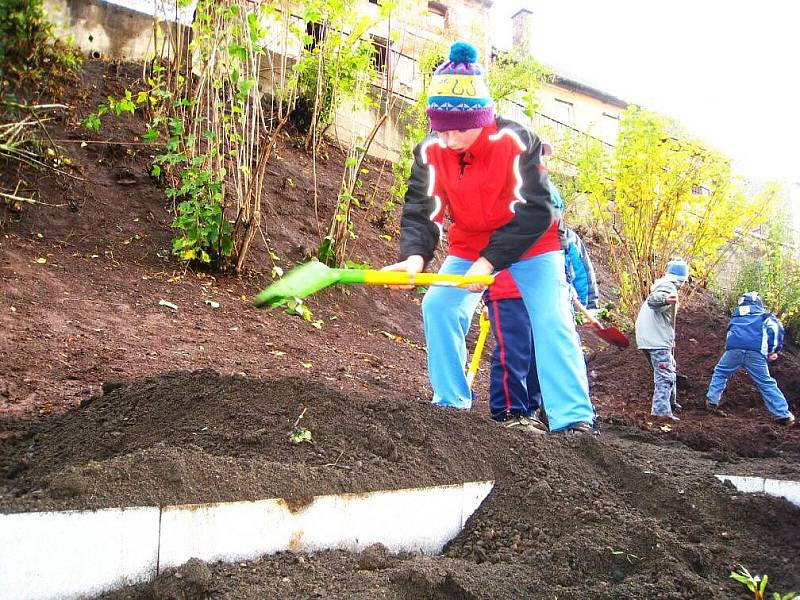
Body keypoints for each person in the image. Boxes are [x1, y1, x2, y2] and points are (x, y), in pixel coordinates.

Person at [381, 40, 595, 434]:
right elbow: (422, 209)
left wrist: (489, 263)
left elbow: (537, 209)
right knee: (439, 305)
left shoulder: (516, 142)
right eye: (440, 130)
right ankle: (450, 405)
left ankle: (572, 419)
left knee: (551, 318)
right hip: (469, 244)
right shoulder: (431, 150)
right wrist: (414, 257)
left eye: (459, 130)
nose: (448, 140)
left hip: (532, 244)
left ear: (480, 118)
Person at [484, 226, 599, 428]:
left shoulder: (565, 235)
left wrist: (588, 303)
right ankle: (510, 411)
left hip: (548, 294)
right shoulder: (498, 227)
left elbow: (580, 268)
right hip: (506, 295)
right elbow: (483, 260)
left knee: (544, 353)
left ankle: (533, 409)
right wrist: (485, 298)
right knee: (514, 350)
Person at [705, 292, 795, 426]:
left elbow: (730, 333)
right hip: (756, 352)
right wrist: (773, 350)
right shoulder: (765, 316)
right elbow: (776, 329)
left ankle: (712, 400)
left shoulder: (736, 317)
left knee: (721, 372)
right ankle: (783, 415)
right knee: (765, 383)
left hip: (733, 350)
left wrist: (730, 348)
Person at [635, 258, 689, 422]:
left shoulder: (666, 284)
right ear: (682, 279)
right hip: (655, 339)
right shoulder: (667, 286)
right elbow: (653, 301)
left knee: (669, 367)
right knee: (665, 375)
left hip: (652, 337)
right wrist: (666, 300)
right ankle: (660, 413)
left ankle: (671, 403)